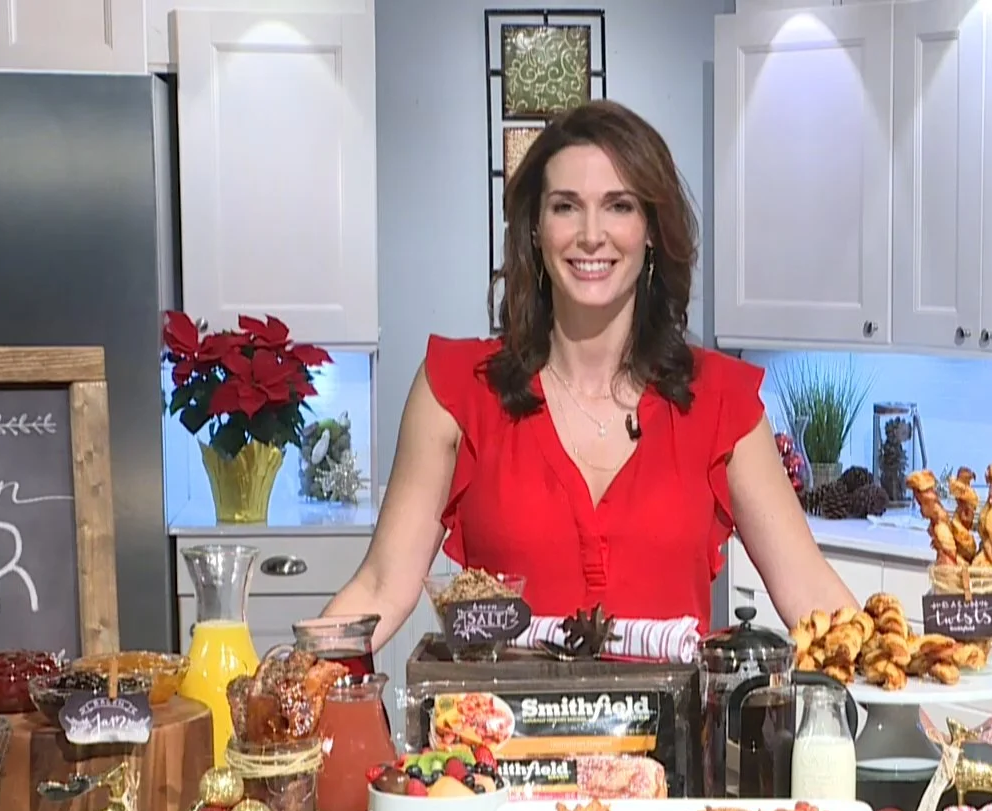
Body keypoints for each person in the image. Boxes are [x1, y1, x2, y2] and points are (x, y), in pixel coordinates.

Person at [323, 100, 856, 646]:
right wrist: (294, 674)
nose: (591, 235)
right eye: (566, 207)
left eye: (619, 206)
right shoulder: (456, 391)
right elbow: (381, 587)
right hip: (496, 705)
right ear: (535, 229)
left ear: (651, 229)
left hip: (672, 707)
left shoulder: (722, 401)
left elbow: (810, 591)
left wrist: (896, 674)